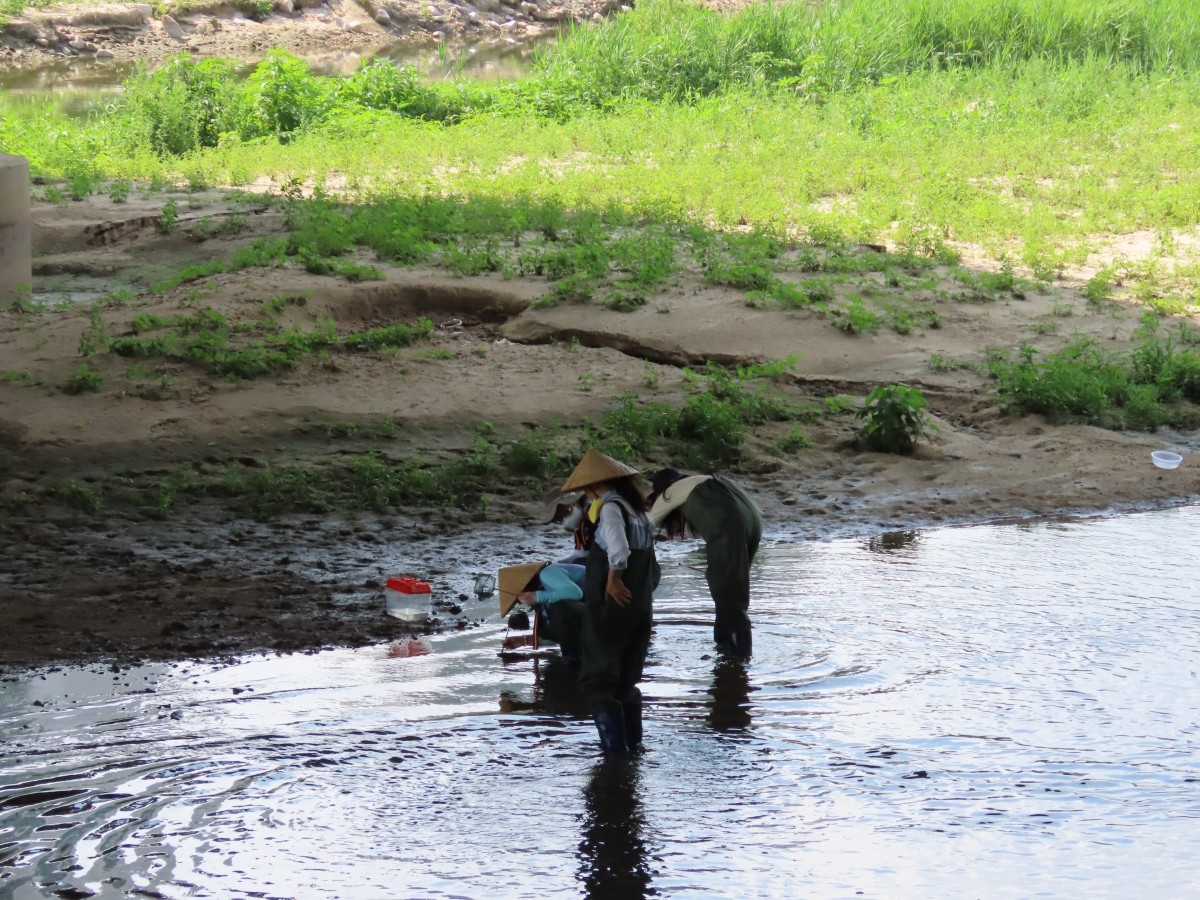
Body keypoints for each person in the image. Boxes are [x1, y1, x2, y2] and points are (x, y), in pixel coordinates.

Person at [561, 448, 659, 754]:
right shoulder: (641, 512)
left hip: (610, 609)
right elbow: (653, 570)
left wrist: (614, 580)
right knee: (626, 682)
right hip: (639, 608)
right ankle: (634, 750)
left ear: (593, 487)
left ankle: (615, 758)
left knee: (598, 683)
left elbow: (619, 551)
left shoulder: (611, 510)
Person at [648, 467, 763, 659]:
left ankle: (739, 658)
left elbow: (645, 524)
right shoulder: (705, 482)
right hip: (753, 523)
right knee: (729, 590)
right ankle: (724, 646)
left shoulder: (673, 492)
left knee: (729, 597)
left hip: (729, 528)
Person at [497, 561, 587, 661]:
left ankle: (572, 661)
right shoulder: (545, 602)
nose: (522, 603)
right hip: (591, 621)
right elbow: (559, 635)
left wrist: (537, 596)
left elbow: (575, 592)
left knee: (559, 609)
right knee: (553, 614)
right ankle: (574, 661)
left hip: (600, 613)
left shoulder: (547, 573)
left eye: (519, 600)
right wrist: (523, 641)